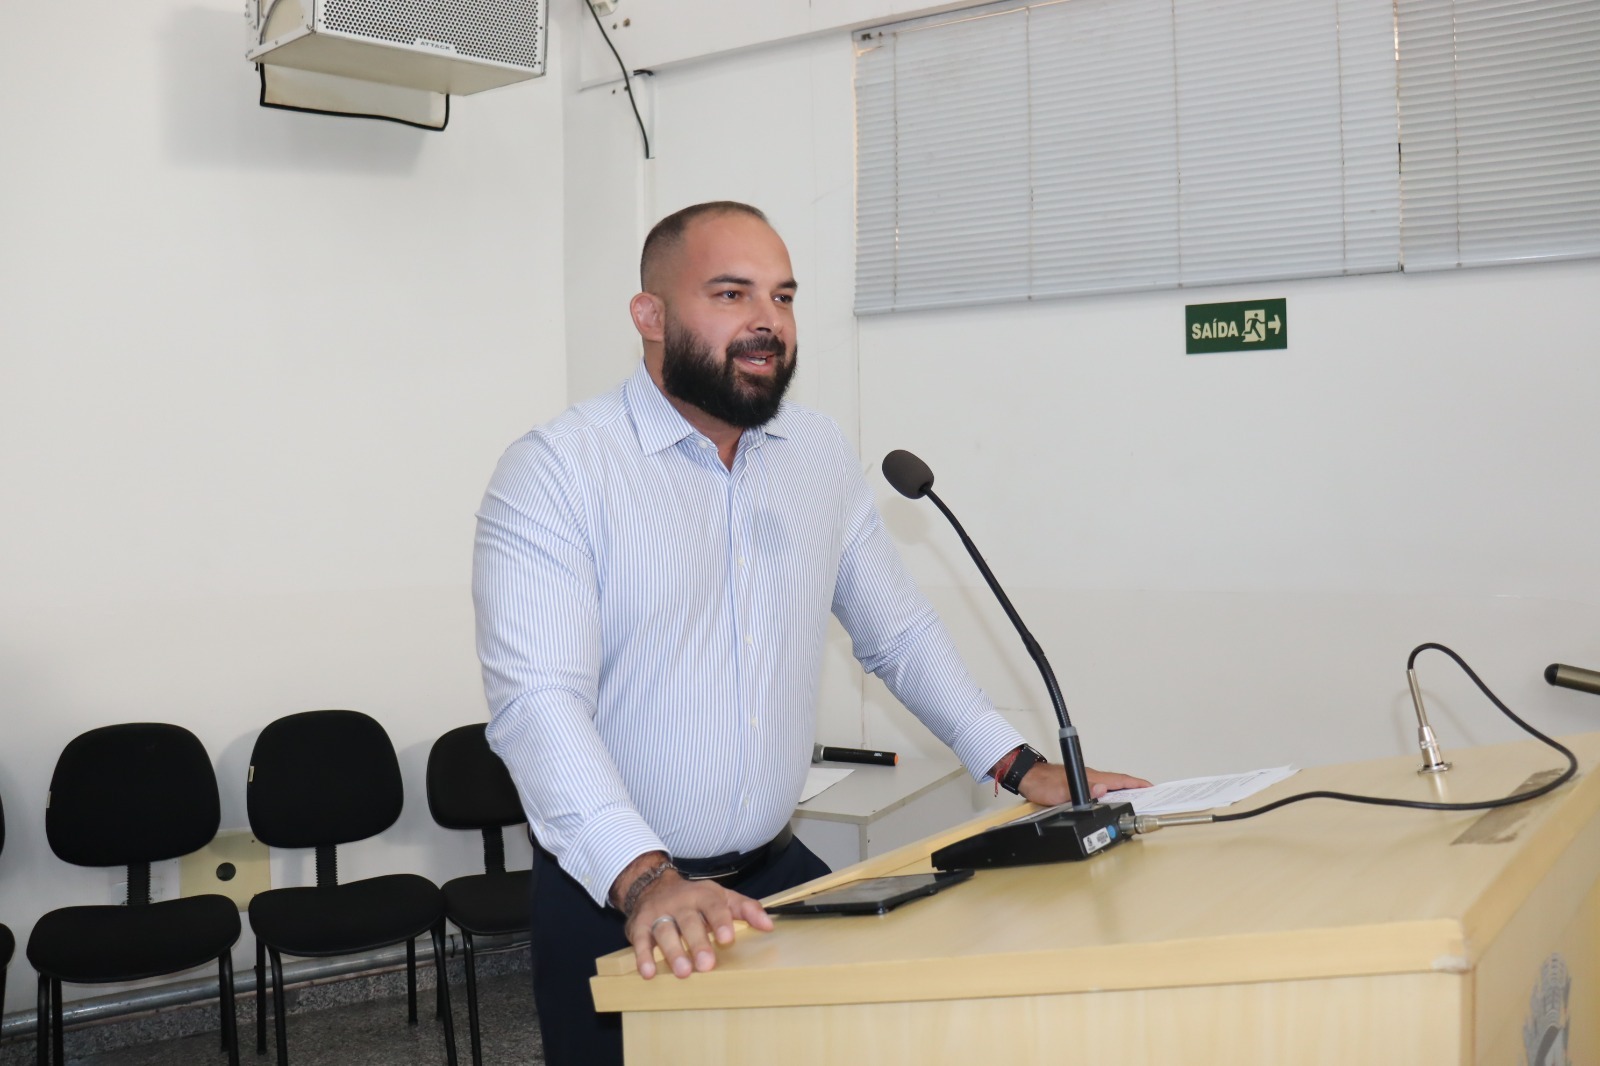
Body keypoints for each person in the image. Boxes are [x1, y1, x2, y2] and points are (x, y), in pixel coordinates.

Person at [473, 201, 1149, 1066]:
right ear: (650, 315)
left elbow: (898, 634)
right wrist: (646, 878)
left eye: (783, 297)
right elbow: (538, 707)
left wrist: (1017, 766)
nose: (768, 321)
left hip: (778, 883)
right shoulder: (558, 471)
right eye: (731, 294)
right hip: (620, 900)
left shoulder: (817, 453)